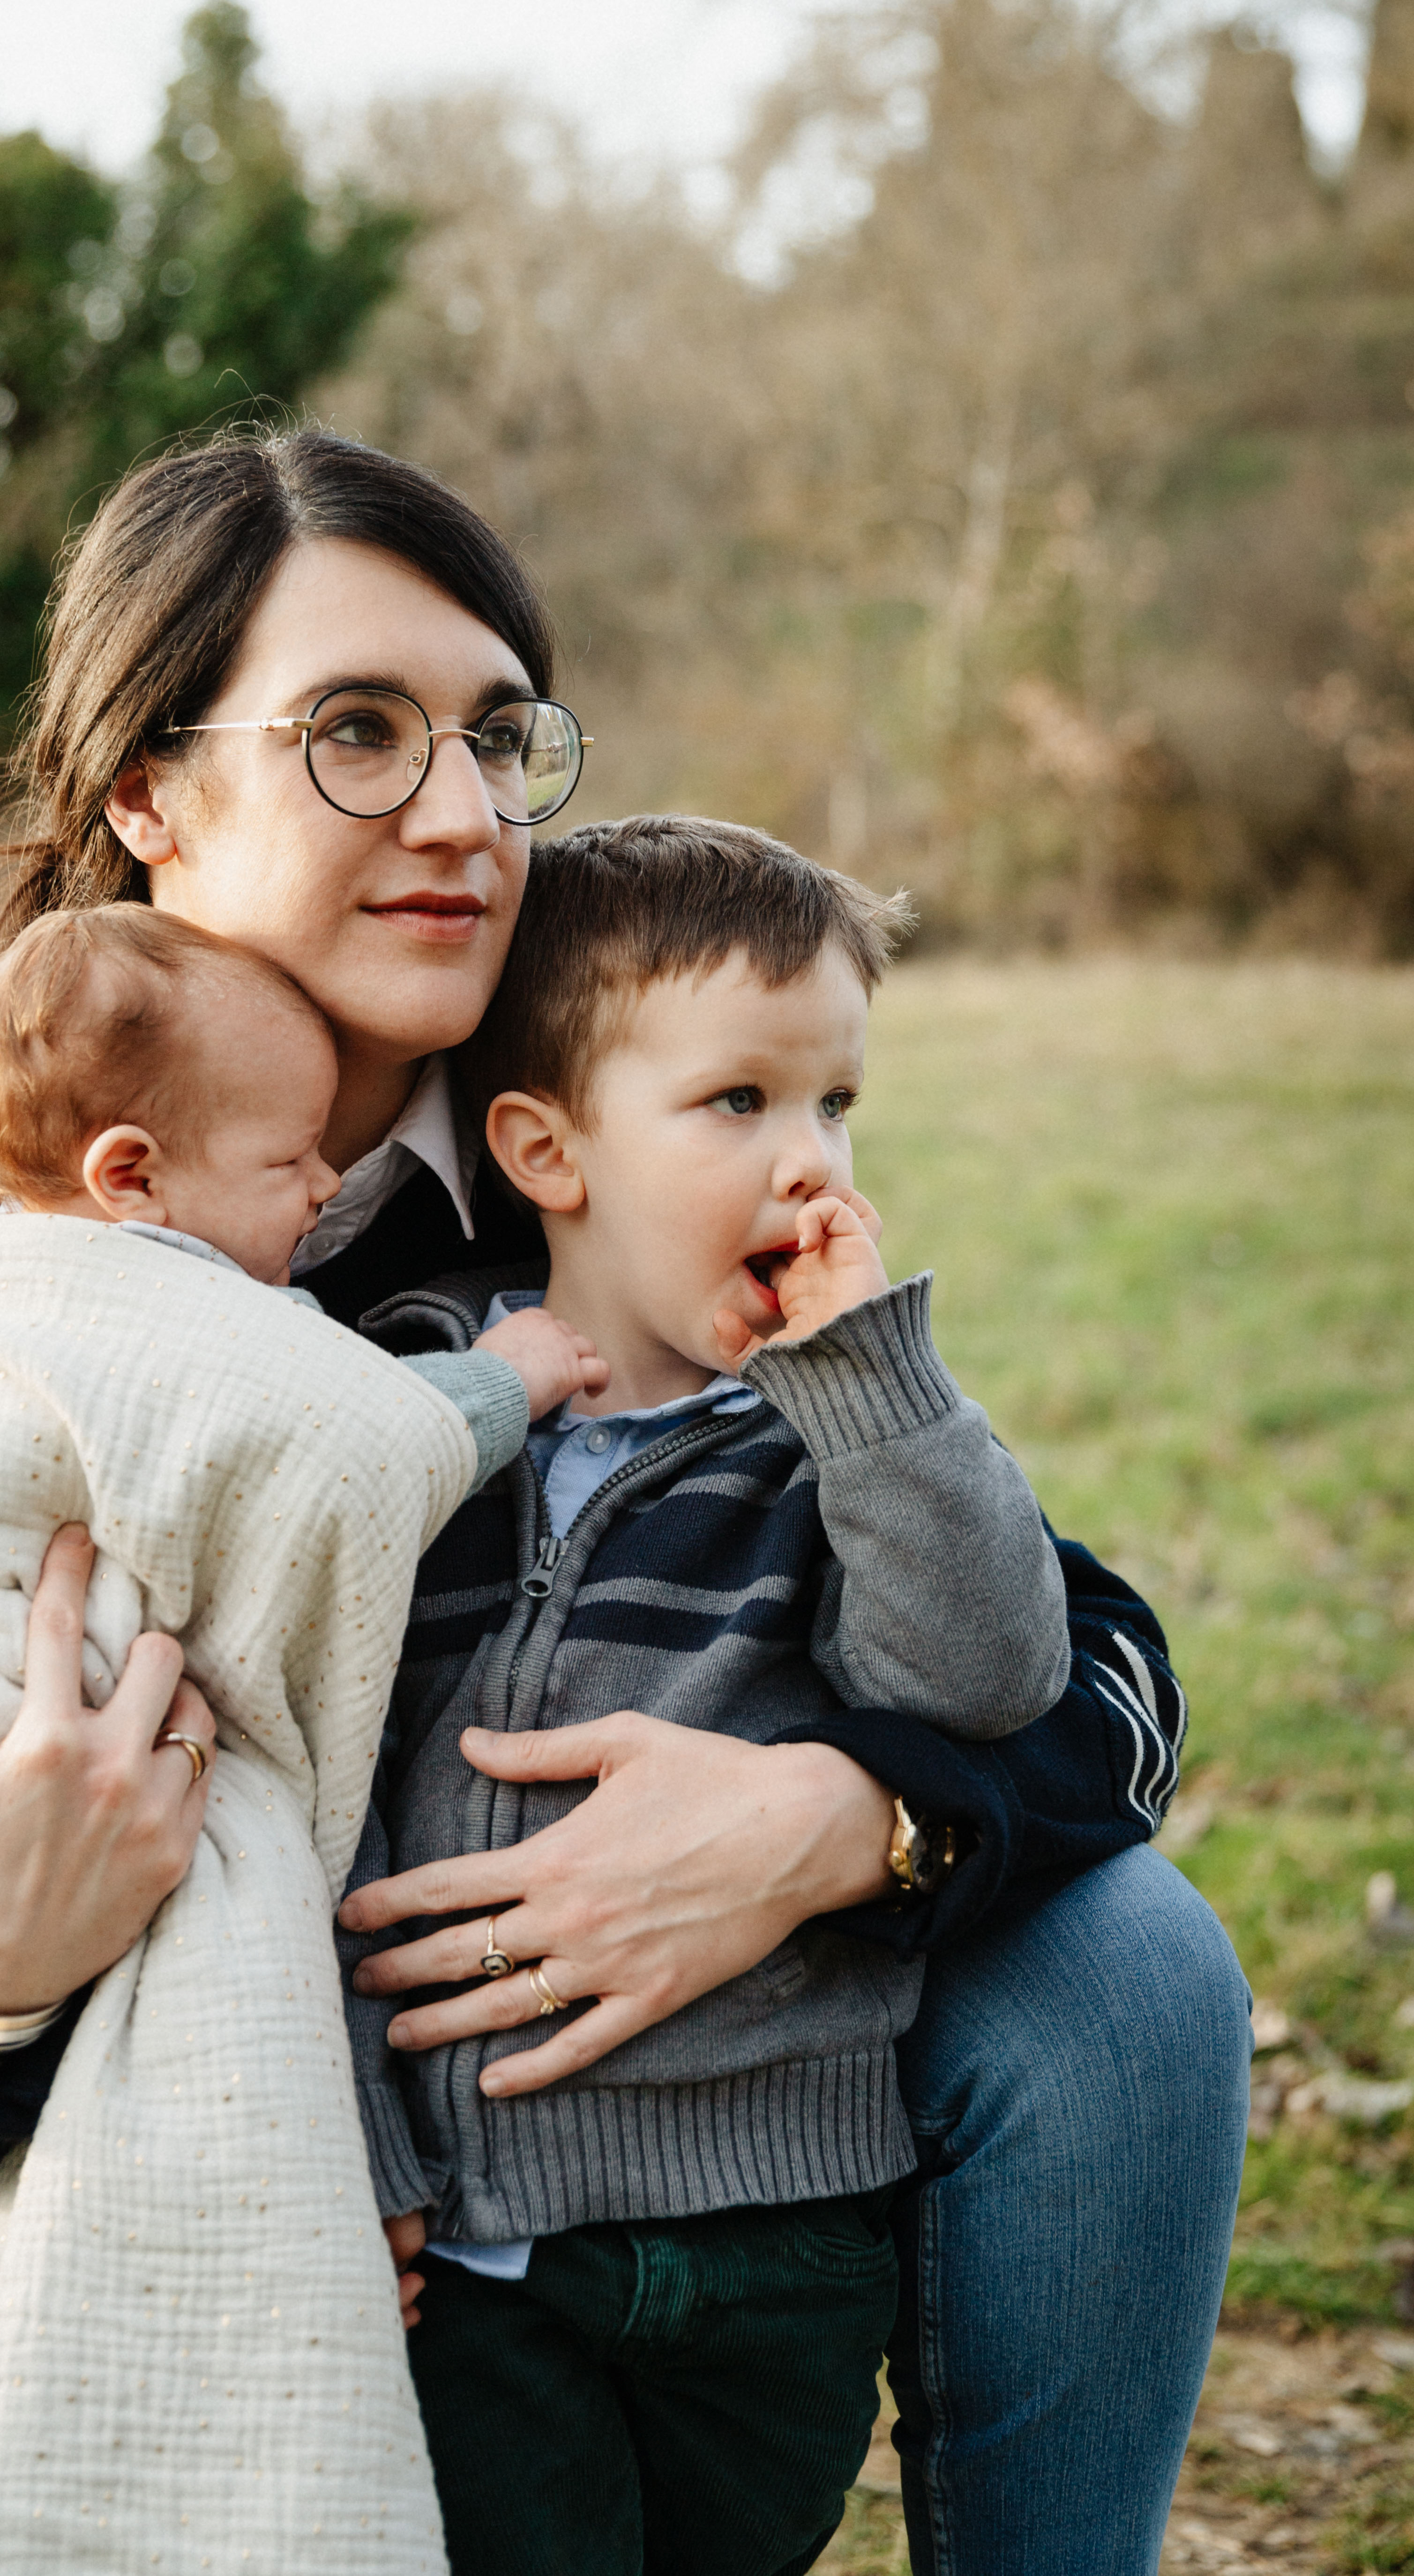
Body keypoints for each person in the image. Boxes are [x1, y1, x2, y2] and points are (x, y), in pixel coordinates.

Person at [0, 426, 1250, 2576]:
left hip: (689, 2104)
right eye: (355, 731)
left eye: (497, 735)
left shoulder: (609, 1143)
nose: (459, 811)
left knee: (1128, 1968)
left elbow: (1096, 1667)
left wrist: (841, 1822)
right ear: (146, 793)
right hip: (238, 2091)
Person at [0, 898, 605, 2571]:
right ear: (130, 1176)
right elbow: (345, 1442)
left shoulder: (593, 1131)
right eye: (288, 1163)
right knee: (212, 1966)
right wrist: (508, 1380)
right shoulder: (88, 1287)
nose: (321, 1190)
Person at [339, 816, 1074, 2576]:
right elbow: (305, 1797)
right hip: (483, 2258)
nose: (810, 1163)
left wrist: (870, 1388)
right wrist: (352, 2150)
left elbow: (986, 1676)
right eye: (737, 1101)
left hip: (782, 2236)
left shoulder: (849, 1441)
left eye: (836, 1104)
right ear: (547, 1149)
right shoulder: (406, 1420)